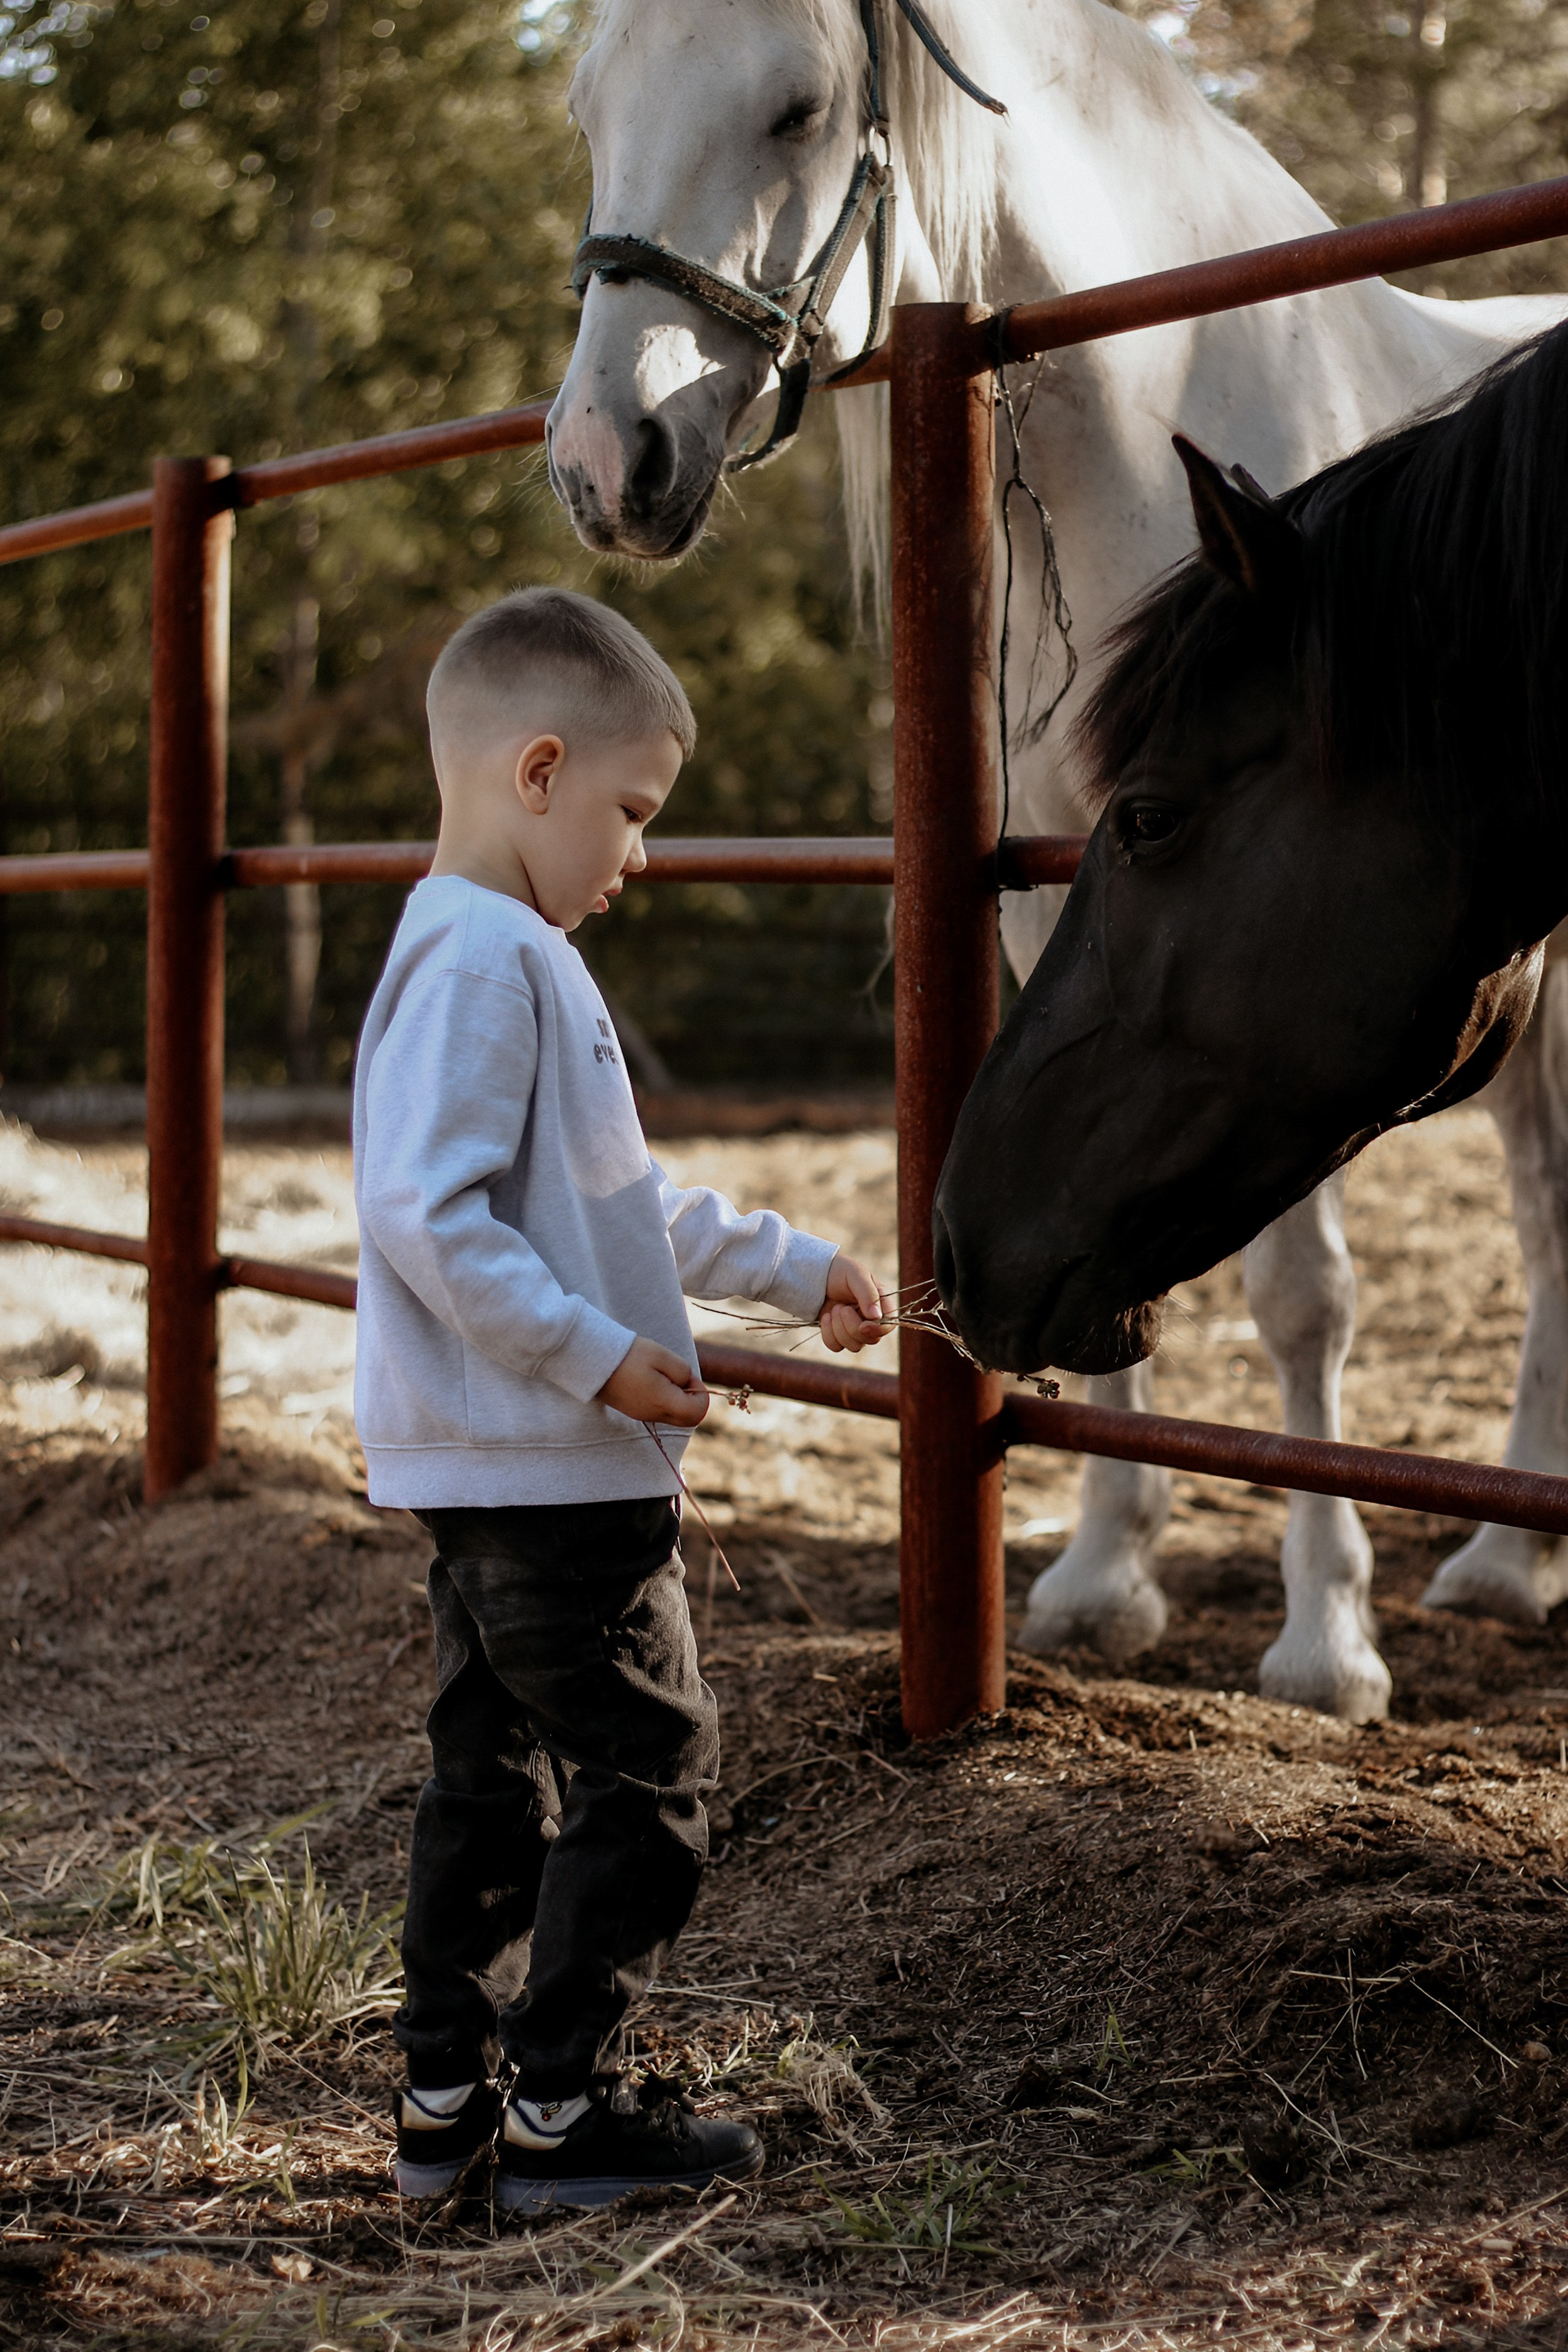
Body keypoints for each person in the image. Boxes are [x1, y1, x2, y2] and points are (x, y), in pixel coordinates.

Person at [353, 587, 889, 2213]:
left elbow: (606, 1201)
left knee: (486, 1785)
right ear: (535, 772)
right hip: (554, 1468)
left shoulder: (472, 946)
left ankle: (447, 2102)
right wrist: (595, 1357)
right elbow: (427, 1214)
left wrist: (792, 1270)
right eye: (632, 814)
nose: (639, 857)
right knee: (652, 1779)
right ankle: (563, 2114)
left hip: (498, 1469)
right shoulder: (496, 958)